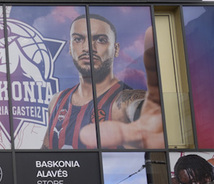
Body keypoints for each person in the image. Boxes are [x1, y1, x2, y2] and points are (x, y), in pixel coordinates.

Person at [42, 14, 162, 149]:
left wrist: (150, 117)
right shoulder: (57, 101)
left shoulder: (124, 100)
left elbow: (139, 107)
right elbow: (45, 152)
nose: (87, 48)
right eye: (78, 39)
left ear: (116, 49)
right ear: (70, 47)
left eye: (100, 40)